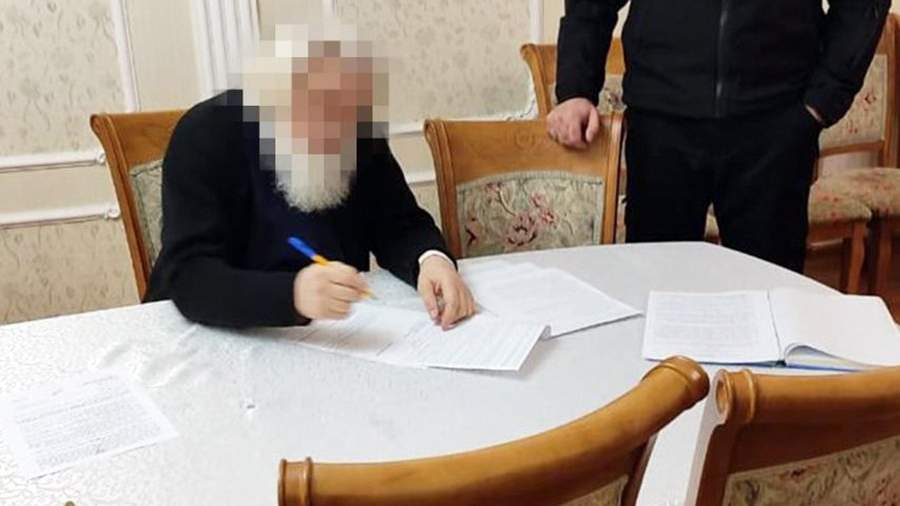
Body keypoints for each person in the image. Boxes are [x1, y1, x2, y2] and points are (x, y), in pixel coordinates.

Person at [145, 23, 475, 329]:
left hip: (333, 333)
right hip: (211, 334)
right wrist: (292, 294)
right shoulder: (205, 134)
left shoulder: (357, 132)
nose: (337, 133)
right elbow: (190, 274)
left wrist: (431, 260)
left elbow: (400, 224)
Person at [547, 0, 889, 272]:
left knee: (770, 298)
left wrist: (821, 103)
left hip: (774, 130)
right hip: (661, 126)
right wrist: (576, 89)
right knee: (657, 287)